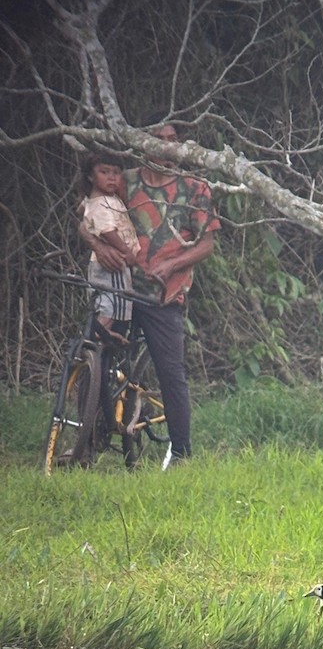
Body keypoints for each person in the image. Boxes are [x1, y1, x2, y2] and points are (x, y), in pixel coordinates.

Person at [80, 121, 219, 465]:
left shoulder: (195, 188)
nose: (165, 146)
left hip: (163, 295)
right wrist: (98, 245)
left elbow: (207, 245)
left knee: (171, 373)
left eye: (172, 140)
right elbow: (86, 215)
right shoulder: (122, 180)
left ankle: (182, 453)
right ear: (143, 143)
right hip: (120, 288)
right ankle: (85, 443)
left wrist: (173, 265)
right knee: (94, 357)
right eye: (157, 139)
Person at [80, 153, 140, 340]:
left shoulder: (100, 199)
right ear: (91, 176)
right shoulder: (101, 203)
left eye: (116, 172)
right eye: (104, 172)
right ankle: (103, 331)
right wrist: (126, 252)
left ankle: (98, 333)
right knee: (116, 298)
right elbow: (108, 232)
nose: (111, 177)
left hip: (103, 262)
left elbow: (82, 211)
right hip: (113, 263)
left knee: (104, 298)